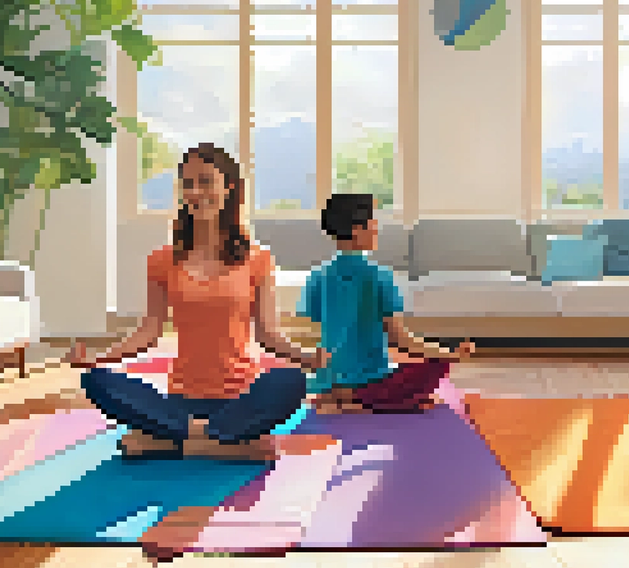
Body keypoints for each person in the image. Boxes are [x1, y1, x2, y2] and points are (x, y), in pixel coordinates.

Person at [70, 143, 328, 461]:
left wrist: (307, 358)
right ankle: (226, 443)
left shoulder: (257, 259)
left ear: (228, 187)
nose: (196, 192)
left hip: (240, 399)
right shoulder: (162, 260)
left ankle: (172, 441)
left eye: (206, 181)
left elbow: (267, 335)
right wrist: (99, 358)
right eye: (188, 184)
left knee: (290, 380)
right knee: (97, 381)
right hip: (181, 400)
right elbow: (148, 332)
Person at [300, 193, 474, 415]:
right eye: (373, 221)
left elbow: (320, 327)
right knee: (435, 365)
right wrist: (448, 353)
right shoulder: (380, 276)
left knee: (406, 374)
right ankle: (361, 399)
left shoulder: (318, 275)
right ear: (356, 230)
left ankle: (340, 394)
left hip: (328, 379)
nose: (377, 227)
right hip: (371, 381)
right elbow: (400, 339)